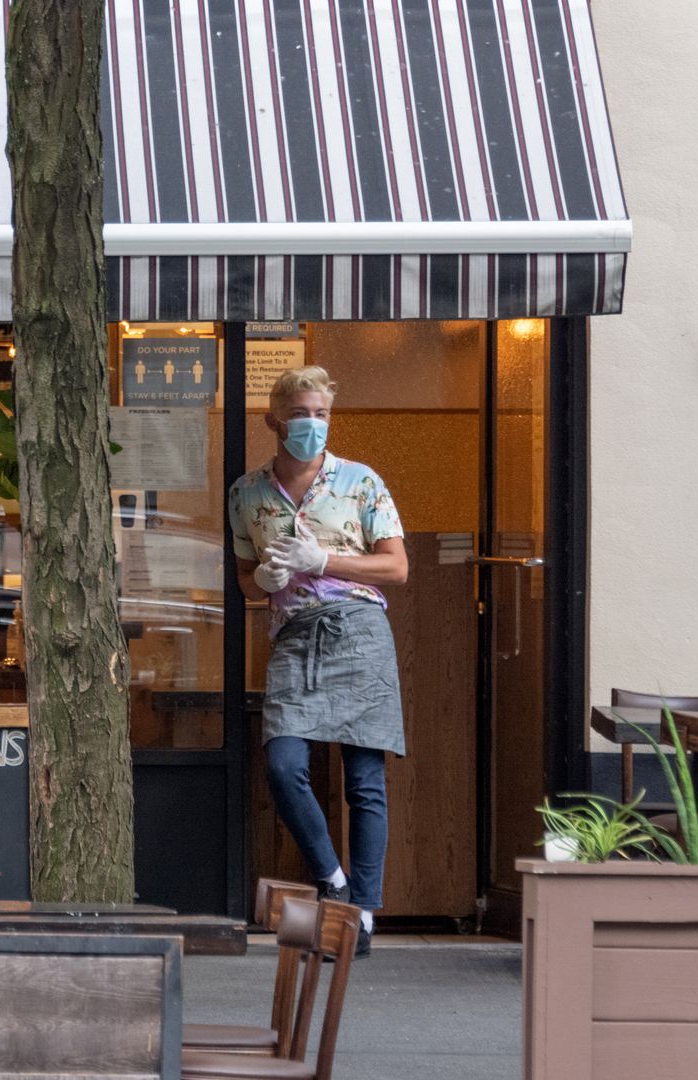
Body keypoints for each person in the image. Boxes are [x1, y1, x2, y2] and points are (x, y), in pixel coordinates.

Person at [229, 367, 407, 957]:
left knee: (364, 780)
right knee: (283, 763)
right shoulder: (246, 494)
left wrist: (322, 560)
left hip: (358, 630)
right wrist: (263, 578)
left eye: (321, 414)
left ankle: (363, 912)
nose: (312, 424)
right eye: (301, 413)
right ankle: (334, 881)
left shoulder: (361, 483)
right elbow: (245, 583)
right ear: (273, 420)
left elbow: (395, 568)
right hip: (295, 636)